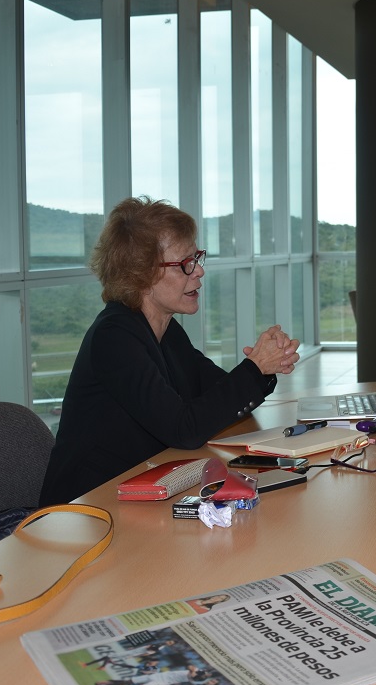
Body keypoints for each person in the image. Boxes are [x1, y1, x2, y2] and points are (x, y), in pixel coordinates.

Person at [39, 197, 300, 506]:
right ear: (141, 273)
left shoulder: (166, 330)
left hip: (140, 494)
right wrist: (255, 368)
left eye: (197, 258)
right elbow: (184, 430)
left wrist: (264, 367)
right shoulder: (114, 337)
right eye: (185, 264)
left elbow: (217, 395)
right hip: (86, 509)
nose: (199, 272)